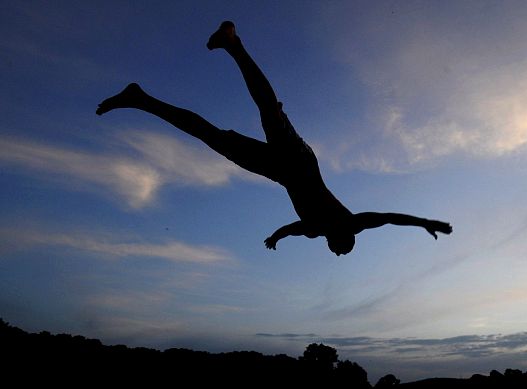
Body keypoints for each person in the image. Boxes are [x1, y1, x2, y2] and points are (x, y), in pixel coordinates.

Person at [97, 21, 452, 256]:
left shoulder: (315, 230)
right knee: (268, 111)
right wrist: (425, 223)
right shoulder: (347, 223)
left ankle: (140, 99)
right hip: (298, 160)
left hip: (279, 171)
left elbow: (292, 230)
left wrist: (275, 237)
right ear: (342, 238)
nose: (334, 246)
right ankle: (234, 44)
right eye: (339, 247)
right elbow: (386, 217)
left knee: (211, 136)